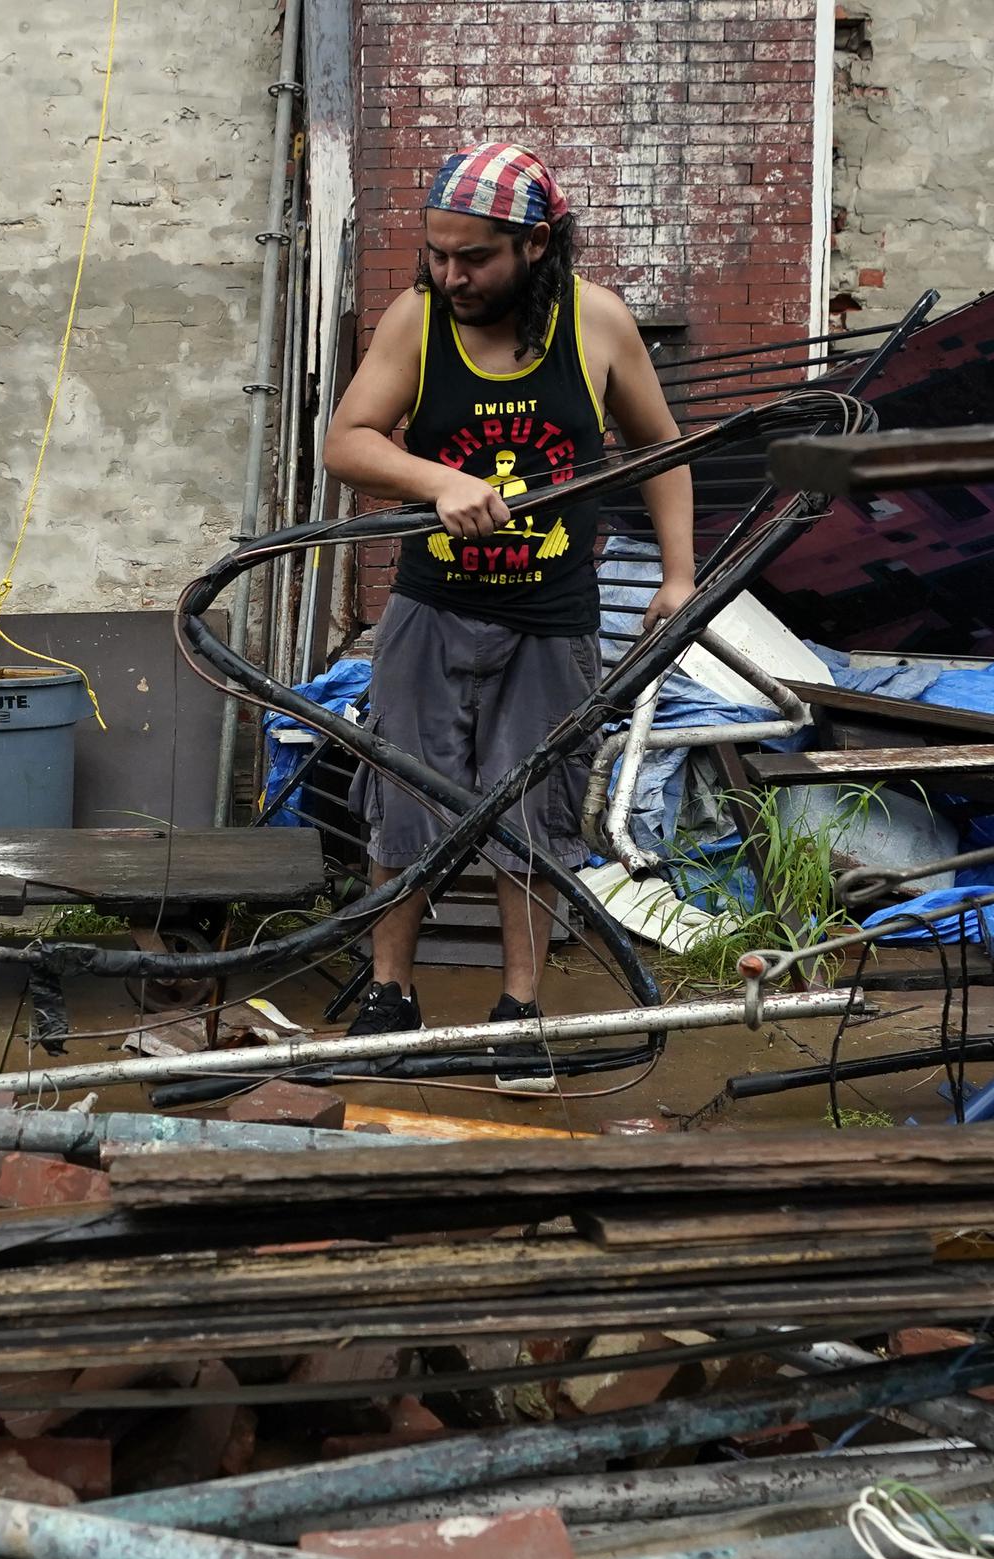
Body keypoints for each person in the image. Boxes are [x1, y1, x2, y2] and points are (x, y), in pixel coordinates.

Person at [321, 142, 695, 1088]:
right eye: (438, 255)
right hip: (432, 606)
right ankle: (389, 993)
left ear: (537, 246)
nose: (452, 276)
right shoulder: (418, 322)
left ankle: (519, 1008)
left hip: (551, 613)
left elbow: (663, 449)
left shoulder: (597, 324)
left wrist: (679, 574)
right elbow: (349, 440)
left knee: (536, 806)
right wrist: (438, 478)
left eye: (474, 257)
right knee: (405, 798)